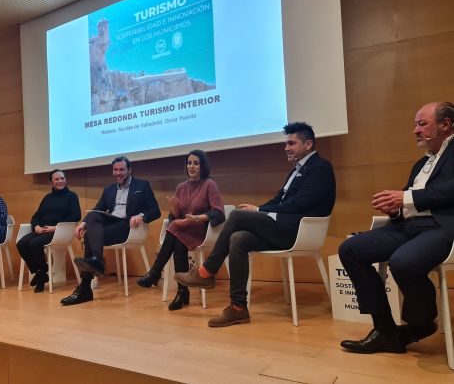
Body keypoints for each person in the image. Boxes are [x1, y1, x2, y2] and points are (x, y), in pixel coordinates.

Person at [175, 122, 336, 327]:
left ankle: (206, 272)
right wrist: (259, 207)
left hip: (298, 231)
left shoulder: (320, 167)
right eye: (286, 143)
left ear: (308, 144)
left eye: (291, 143)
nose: (286, 148)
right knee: (238, 239)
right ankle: (238, 308)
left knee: (235, 216)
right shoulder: (296, 170)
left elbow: (302, 202)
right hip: (283, 227)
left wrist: (260, 211)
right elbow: (279, 199)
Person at [339, 101, 454, 354]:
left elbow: (447, 191)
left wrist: (406, 199)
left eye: (422, 124)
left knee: (402, 262)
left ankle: (419, 325)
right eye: (415, 124)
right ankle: (385, 330)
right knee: (350, 249)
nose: (415, 130)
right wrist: (396, 208)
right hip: (410, 228)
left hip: (441, 227)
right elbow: (409, 197)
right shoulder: (421, 163)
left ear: (445, 125)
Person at [61, 155, 161, 306]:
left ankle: (85, 289)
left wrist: (141, 216)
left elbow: (155, 211)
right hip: (112, 223)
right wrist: (83, 224)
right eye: (115, 170)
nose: (118, 173)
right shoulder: (109, 190)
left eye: (121, 169)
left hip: (129, 227)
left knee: (89, 237)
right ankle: (96, 264)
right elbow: (97, 209)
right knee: (92, 219)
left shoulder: (142, 186)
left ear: (129, 170)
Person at [136, 150, 225, 310]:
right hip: (183, 230)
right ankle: (181, 292)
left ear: (203, 166)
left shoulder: (209, 184)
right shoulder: (181, 187)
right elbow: (176, 217)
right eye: (189, 163)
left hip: (202, 231)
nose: (191, 166)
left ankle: (156, 273)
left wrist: (198, 218)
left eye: (196, 163)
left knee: (176, 229)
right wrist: (175, 209)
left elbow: (218, 212)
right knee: (177, 236)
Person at [16, 169, 81, 292]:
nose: (60, 181)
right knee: (21, 243)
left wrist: (56, 227)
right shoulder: (47, 197)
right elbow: (36, 216)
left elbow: (76, 216)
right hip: (43, 230)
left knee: (34, 243)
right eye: (57, 179)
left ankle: (40, 275)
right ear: (51, 183)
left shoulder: (71, 196)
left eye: (62, 178)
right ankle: (41, 272)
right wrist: (36, 227)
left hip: (60, 232)